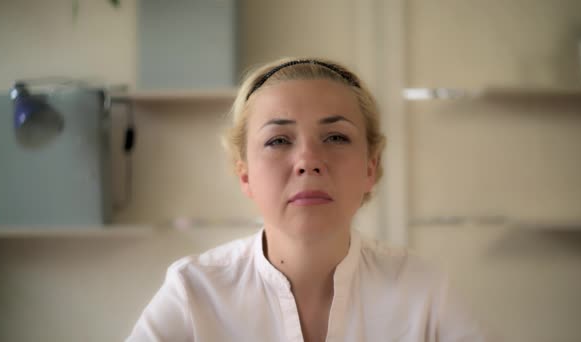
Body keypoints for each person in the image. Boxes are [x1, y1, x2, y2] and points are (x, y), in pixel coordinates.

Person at [126, 58, 489, 342]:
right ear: (245, 174)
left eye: (335, 137)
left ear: (370, 167)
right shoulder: (194, 291)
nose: (309, 161)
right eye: (278, 140)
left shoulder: (425, 291)